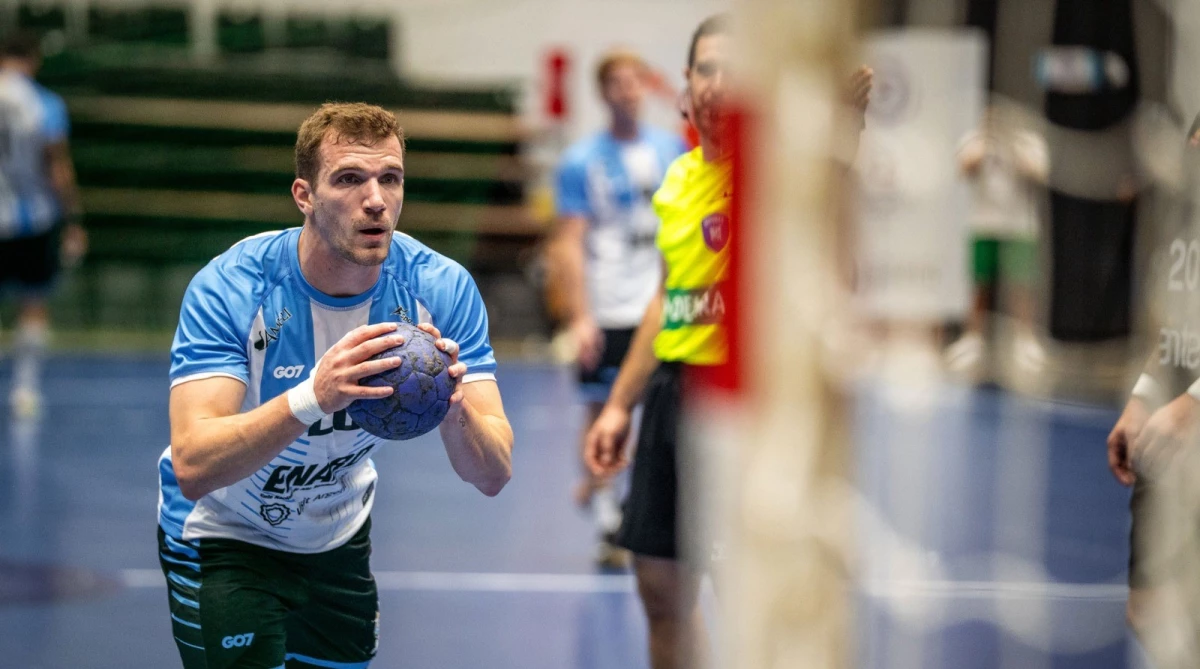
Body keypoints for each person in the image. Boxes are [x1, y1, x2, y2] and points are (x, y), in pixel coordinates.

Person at [157, 102, 514, 669]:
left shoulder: (439, 289)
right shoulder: (233, 287)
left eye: (390, 178)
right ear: (304, 195)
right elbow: (194, 466)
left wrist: (454, 406)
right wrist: (314, 396)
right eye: (349, 178)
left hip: (337, 536)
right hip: (225, 533)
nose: (375, 199)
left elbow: (493, 474)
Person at [585, 14, 871, 668]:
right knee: (658, 583)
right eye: (707, 67)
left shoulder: (783, 176)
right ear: (685, 84)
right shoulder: (679, 181)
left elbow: (838, 265)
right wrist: (620, 405)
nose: (719, 82)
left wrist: (843, 144)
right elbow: (666, 302)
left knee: (751, 590)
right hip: (671, 395)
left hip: (747, 402)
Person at [547, 48, 688, 568]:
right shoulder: (582, 161)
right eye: (617, 83)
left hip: (662, 300)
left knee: (662, 411)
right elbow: (569, 243)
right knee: (602, 409)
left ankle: (643, 504)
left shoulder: (672, 150)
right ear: (604, 92)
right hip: (608, 305)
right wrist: (579, 315)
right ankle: (609, 518)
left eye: (636, 81)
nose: (628, 90)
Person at [0, 31, 85, 418]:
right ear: (33, 60)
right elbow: (57, 167)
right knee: (33, 302)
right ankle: (25, 390)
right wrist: (73, 219)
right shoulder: (44, 104)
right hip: (32, 218)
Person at [944, 99, 1049, 377]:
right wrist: (988, 142)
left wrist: (1012, 146)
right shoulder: (975, 139)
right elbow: (966, 168)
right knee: (980, 283)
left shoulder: (1028, 141)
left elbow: (1038, 173)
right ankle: (973, 339)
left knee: (1021, 286)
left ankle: (1024, 342)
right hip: (984, 224)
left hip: (1019, 226)